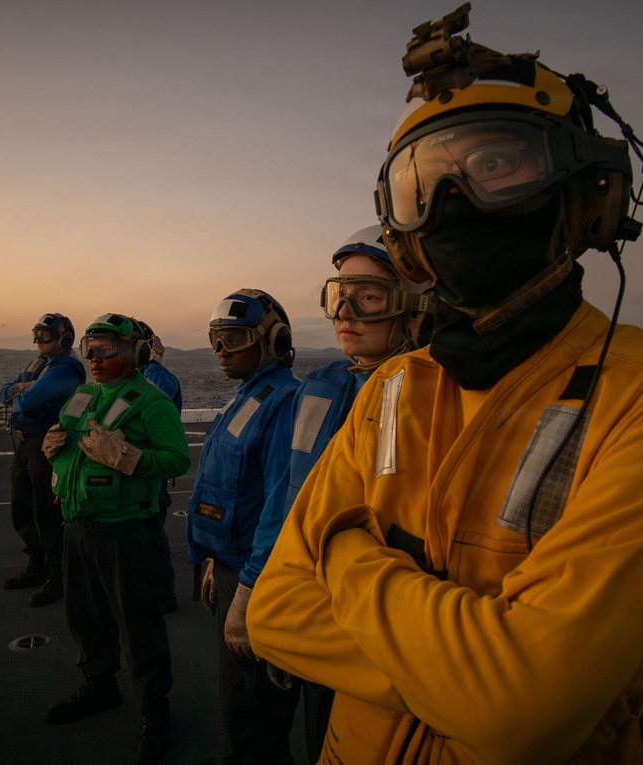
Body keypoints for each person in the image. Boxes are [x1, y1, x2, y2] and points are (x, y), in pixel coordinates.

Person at [247, 8, 643, 765]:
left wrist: (346, 553)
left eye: (495, 163)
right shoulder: (393, 386)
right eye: (422, 184)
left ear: (587, 194)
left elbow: (523, 709)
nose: (452, 198)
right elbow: (277, 614)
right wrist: (471, 676)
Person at [273, 225, 432, 762]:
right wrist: (255, 580)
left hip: (373, 621)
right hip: (302, 596)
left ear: (416, 307)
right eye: (339, 296)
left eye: (369, 298)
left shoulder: (433, 398)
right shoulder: (319, 384)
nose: (344, 313)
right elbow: (287, 490)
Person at [40, 313, 190, 765]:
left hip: (126, 529)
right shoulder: (83, 395)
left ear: (135, 354)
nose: (94, 358)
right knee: (86, 617)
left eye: (106, 350)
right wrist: (53, 448)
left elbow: (177, 459)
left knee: (138, 626)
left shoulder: (153, 402)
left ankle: (155, 708)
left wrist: (129, 457)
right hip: (78, 523)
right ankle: (100, 685)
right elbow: (70, 445)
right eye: (90, 349)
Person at [185, 288, 301, 765]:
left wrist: (248, 591)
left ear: (274, 341)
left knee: (256, 707)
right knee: (237, 696)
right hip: (234, 565)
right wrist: (216, 560)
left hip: (260, 578)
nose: (221, 350)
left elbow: (282, 506)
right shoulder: (250, 395)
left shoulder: (285, 402)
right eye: (216, 338)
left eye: (234, 338)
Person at [0, 313, 86, 607]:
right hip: (25, 445)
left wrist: (20, 392)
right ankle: (37, 565)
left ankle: (58, 575)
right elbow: (3, 392)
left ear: (63, 338)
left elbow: (26, 401)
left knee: (46, 514)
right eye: (36, 334)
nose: (38, 341)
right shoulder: (41, 364)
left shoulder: (65, 370)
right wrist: (18, 390)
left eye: (45, 335)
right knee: (22, 511)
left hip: (44, 447)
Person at [137, 320, 182, 613]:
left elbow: (156, 396)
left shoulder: (160, 379)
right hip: (135, 471)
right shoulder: (136, 378)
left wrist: (153, 363)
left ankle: (163, 597)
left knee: (152, 538)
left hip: (152, 473)